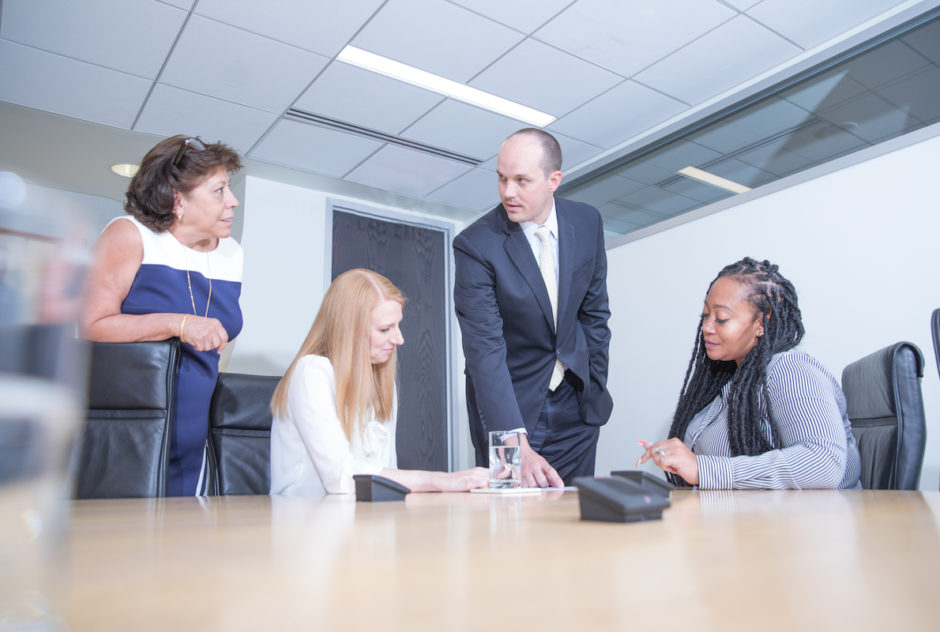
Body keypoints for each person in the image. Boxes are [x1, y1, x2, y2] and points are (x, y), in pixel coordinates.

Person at [81, 135, 243, 496]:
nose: (232, 201)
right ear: (177, 199)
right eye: (219, 191)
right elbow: (93, 325)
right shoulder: (130, 234)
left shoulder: (232, 254)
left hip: (195, 433)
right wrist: (178, 324)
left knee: (181, 546)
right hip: (131, 431)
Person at [453, 128, 613, 487]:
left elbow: (595, 315)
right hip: (509, 410)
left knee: (574, 518)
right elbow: (484, 350)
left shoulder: (587, 223)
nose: (508, 192)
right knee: (511, 527)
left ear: (553, 180)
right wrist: (513, 439)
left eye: (521, 180)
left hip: (577, 407)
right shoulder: (476, 246)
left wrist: (595, 384)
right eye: (501, 178)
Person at [636, 257, 861, 490]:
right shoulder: (727, 379)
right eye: (705, 316)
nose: (706, 327)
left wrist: (704, 469)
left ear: (762, 322)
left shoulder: (791, 368)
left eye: (721, 318)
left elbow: (823, 462)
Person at [269, 268, 488, 496]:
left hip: (359, 522)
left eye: (398, 325)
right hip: (303, 524)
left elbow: (386, 475)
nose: (399, 339)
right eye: (385, 329)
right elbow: (340, 479)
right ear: (349, 330)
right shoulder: (312, 372)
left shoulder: (380, 377)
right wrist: (441, 480)